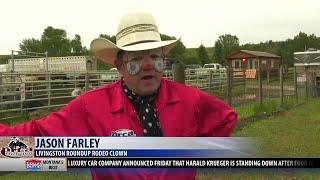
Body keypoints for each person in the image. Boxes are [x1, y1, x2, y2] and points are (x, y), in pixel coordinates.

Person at [0, 12, 237, 179]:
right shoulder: (91, 107)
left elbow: (225, 118)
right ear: (120, 66)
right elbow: (37, 134)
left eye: (155, 57)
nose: (148, 66)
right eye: (136, 59)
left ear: (163, 60)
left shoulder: (190, 100)